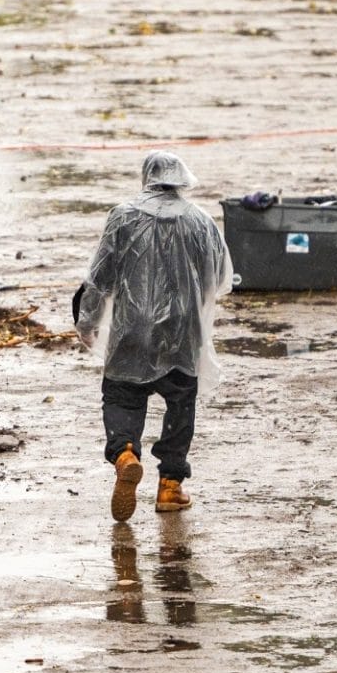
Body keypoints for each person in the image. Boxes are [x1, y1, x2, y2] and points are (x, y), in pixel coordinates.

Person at [76, 152, 231, 523]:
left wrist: (89, 320)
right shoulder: (200, 222)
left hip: (131, 327)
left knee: (122, 395)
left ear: (146, 177)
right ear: (182, 180)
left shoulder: (122, 217)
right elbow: (220, 276)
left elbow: (101, 274)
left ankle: (125, 452)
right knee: (181, 403)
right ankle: (170, 487)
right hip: (181, 331)